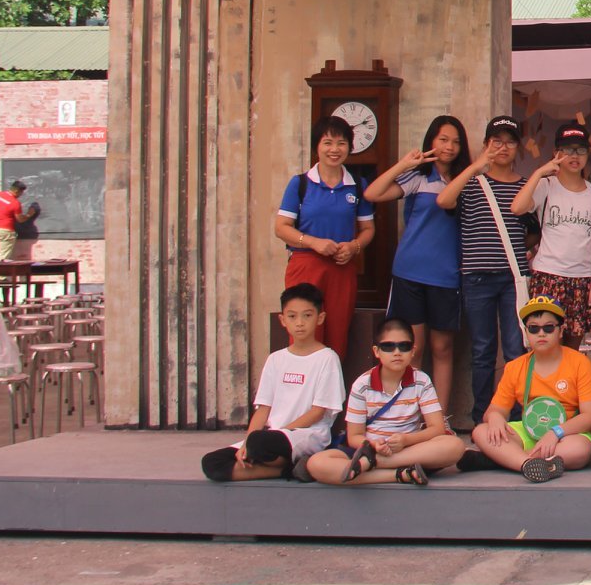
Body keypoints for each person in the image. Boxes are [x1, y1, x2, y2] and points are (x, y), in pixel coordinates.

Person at [363, 115, 469, 423]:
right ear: (431, 141)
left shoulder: (466, 180)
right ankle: (410, 418)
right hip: (409, 273)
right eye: (443, 139)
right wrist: (404, 164)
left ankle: (440, 420)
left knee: (443, 347)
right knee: (414, 348)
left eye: (456, 141)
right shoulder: (418, 177)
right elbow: (372, 194)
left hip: (447, 277)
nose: (449, 147)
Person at [436, 115, 532, 418]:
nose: (503, 148)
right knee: (482, 351)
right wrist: (477, 166)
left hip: (514, 279)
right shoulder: (471, 183)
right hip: (476, 278)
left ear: (518, 148)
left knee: (516, 349)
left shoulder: (526, 185)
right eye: (496, 141)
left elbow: (533, 232)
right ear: (485, 144)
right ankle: (481, 417)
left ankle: (515, 419)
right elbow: (444, 200)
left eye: (510, 142)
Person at [200, 284, 344, 482]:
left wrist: (278, 433)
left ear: (320, 318)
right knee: (212, 463)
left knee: (260, 443)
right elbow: (263, 409)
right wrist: (246, 443)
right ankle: (288, 470)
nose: (299, 323)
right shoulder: (276, 359)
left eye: (307, 316)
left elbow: (317, 412)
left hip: (305, 434)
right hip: (270, 437)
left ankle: (274, 458)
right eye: (292, 316)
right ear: (282, 320)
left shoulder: (327, 358)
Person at [304, 317, 464, 486]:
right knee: (317, 464)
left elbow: (437, 428)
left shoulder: (421, 381)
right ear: (376, 351)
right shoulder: (362, 385)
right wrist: (373, 445)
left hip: (409, 450)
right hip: (369, 448)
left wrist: (406, 440)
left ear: (413, 351)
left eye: (404, 346)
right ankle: (400, 474)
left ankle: (372, 464)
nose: (397, 352)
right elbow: (354, 436)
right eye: (388, 346)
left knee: (454, 445)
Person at [272, 115, 376, 365]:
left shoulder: (357, 186)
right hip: (305, 266)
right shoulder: (300, 184)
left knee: (338, 337)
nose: (334, 149)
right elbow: (281, 228)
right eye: (327, 143)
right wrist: (313, 242)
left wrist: (354, 247)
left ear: (350, 147)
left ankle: (330, 390)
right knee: (304, 333)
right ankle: (302, 388)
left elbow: (368, 229)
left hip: (341, 268)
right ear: (317, 146)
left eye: (341, 143)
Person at [465, 297, 591, 481]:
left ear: (561, 331)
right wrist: (495, 418)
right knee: (481, 431)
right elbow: (494, 411)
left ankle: (507, 459)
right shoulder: (515, 366)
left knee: (579, 450)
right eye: (534, 328)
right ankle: (529, 464)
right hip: (528, 432)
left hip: (568, 434)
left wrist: (556, 433)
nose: (541, 333)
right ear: (526, 332)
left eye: (549, 327)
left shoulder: (580, 363)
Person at [513, 124, 591, 343]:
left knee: (572, 347)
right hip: (548, 276)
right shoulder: (546, 185)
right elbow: (517, 207)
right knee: (545, 344)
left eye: (580, 150)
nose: (574, 156)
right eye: (567, 150)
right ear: (557, 153)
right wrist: (539, 172)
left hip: (581, 280)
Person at [0, 180, 37, 261]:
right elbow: (20, 219)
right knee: (2, 257)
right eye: (21, 192)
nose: (21, 195)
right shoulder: (15, 203)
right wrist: (29, 214)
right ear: (17, 191)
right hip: (5, 231)